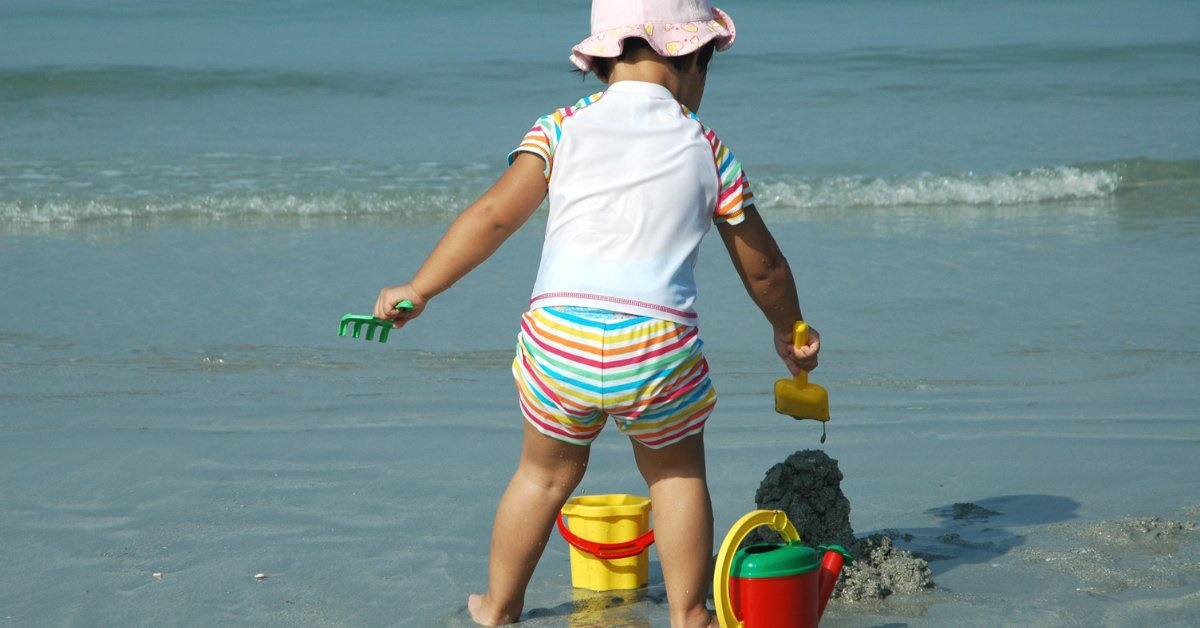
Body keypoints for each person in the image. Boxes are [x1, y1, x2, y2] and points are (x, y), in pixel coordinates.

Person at [372, 1, 819, 625]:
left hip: (560, 338)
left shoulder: (559, 126)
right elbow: (763, 265)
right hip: (657, 345)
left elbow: (494, 216)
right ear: (694, 58)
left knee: (543, 476)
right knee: (676, 477)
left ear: (604, 59)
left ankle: (499, 605)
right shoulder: (708, 147)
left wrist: (420, 289)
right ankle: (689, 614)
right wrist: (786, 328)